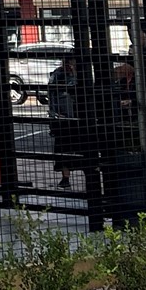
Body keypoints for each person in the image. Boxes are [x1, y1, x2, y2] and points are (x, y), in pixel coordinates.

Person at [47, 51, 81, 189]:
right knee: (64, 150)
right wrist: (54, 115)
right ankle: (65, 178)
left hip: (78, 117)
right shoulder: (58, 75)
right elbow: (52, 96)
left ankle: (88, 174)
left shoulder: (82, 74)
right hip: (64, 118)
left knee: (82, 148)